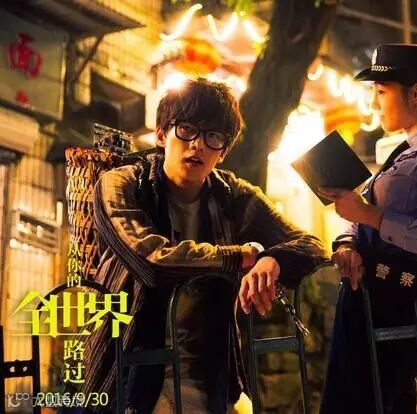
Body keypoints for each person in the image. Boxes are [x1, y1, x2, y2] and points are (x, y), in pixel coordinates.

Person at [75, 78, 327, 413]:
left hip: (208, 375)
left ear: (223, 152)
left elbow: (311, 245)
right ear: (162, 134)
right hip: (131, 369)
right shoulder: (124, 184)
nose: (198, 145)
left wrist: (273, 259)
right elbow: (152, 261)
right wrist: (240, 256)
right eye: (186, 129)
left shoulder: (232, 196)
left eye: (213, 136)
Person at [318, 44, 417, 414]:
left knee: (381, 401)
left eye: (381, 91)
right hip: (366, 297)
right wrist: (346, 243)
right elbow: (363, 212)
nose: (375, 103)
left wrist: (371, 216)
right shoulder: (400, 149)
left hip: (400, 305)